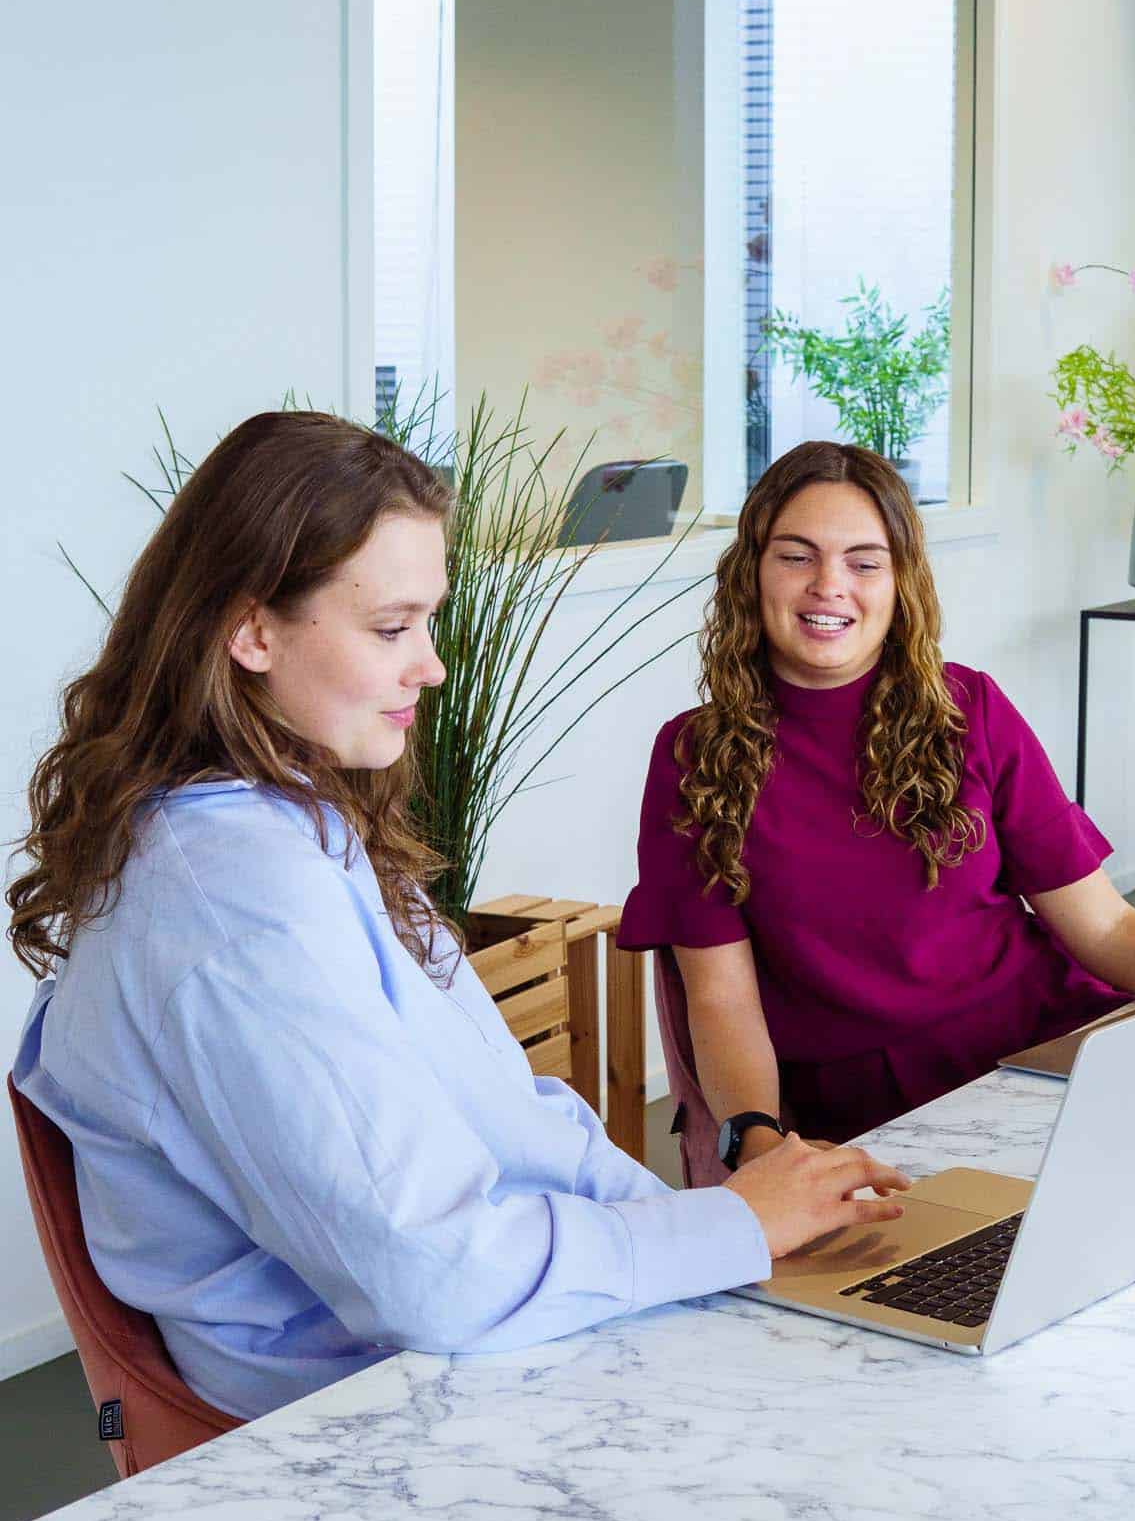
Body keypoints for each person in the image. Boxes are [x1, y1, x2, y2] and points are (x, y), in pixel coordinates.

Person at [7, 411, 909, 1421]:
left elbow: (514, 1121)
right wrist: (727, 1229)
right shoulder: (234, 903)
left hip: (465, 1355)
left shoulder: (297, 827)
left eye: (428, 621)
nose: (429, 665)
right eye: (391, 626)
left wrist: (719, 1222)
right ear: (251, 628)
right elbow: (432, 1275)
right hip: (369, 1413)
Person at [617, 440, 1135, 1188]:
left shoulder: (970, 710)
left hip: (1046, 1054)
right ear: (752, 572)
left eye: (864, 562)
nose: (829, 586)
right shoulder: (692, 757)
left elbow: (1105, 927)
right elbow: (721, 996)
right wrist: (758, 1143)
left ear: (899, 585)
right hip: (871, 1117)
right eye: (796, 556)